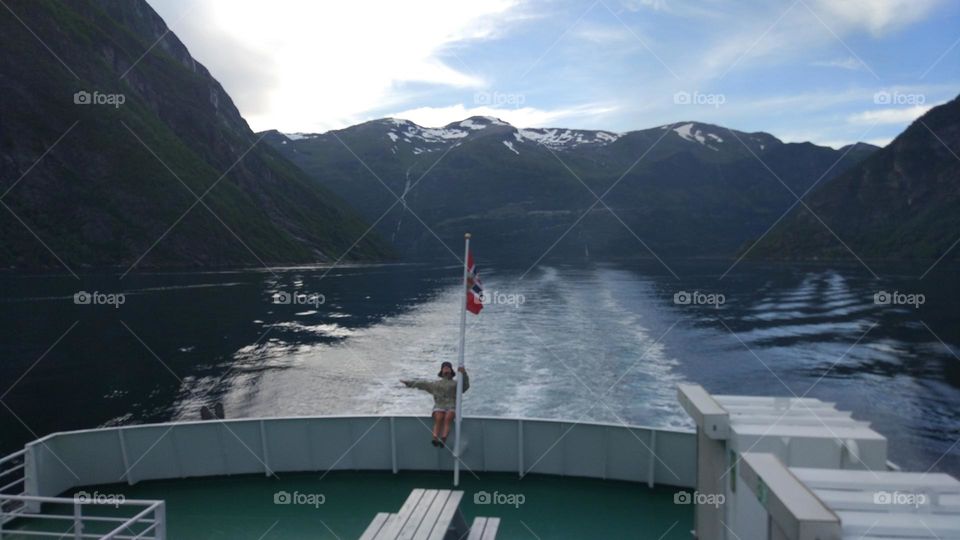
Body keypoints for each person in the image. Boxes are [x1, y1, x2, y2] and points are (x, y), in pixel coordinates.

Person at [401, 361, 469, 447]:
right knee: (439, 418)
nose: (446, 369)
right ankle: (435, 438)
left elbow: (465, 386)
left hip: (451, 406)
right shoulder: (436, 384)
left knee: (448, 418)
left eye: (448, 368)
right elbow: (422, 384)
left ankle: (443, 438)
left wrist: (464, 373)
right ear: (441, 371)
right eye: (444, 368)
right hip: (439, 406)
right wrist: (409, 383)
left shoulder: (456, 384)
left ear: (451, 371)